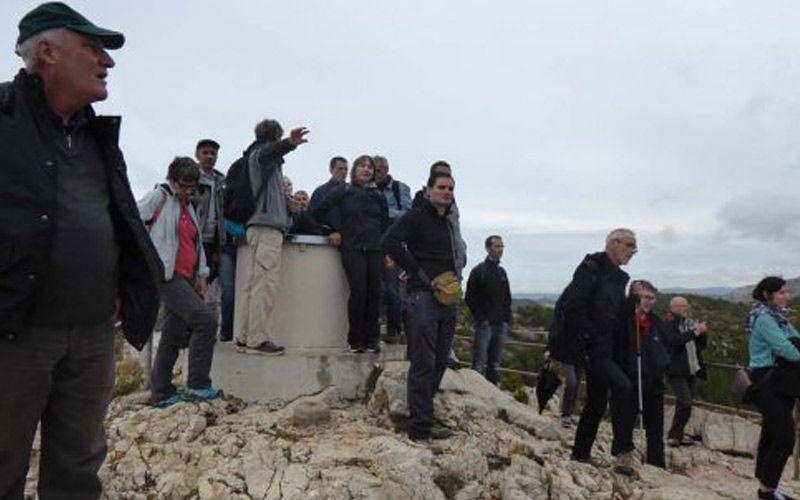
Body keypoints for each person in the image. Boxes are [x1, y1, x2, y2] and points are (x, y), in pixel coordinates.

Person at [0, 3, 161, 497]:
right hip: (16, 335)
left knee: (77, 470)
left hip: (92, 336)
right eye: (92, 48)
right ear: (47, 52)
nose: (106, 62)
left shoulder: (96, 135)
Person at [549, 228, 638, 475]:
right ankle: (623, 452)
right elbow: (574, 307)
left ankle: (580, 453)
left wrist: (632, 301)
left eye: (634, 247)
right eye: (629, 245)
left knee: (597, 400)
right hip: (589, 347)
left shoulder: (620, 278)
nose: (633, 251)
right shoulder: (590, 268)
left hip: (605, 347)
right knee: (622, 386)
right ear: (613, 243)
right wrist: (589, 337)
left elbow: (617, 315)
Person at [382, 171, 459, 443]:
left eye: (450, 188)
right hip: (422, 298)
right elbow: (389, 241)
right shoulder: (415, 216)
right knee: (423, 363)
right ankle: (418, 429)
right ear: (429, 190)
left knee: (439, 362)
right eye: (441, 187)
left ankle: (424, 417)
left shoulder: (448, 222)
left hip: (447, 299)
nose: (446, 192)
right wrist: (414, 269)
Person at [138, 157, 221, 407]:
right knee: (206, 321)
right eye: (182, 186)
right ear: (172, 181)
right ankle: (197, 384)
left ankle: (161, 391)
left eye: (191, 187)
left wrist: (203, 274)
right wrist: (145, 259)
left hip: (187, 276)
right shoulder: (159, 197)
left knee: (173, 334)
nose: (186, 191)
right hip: (166, 275)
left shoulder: (189, 207)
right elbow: (131, 219)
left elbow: (195, 244)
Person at [235, 119, 309, 354]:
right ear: (274, 137)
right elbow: (271, 151)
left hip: (259, 226)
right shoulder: (260, 154)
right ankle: (257, 340)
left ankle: (245, 336)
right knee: (265, 284)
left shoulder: (261, 162)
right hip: (266, 228)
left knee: (253, 284)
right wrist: (290, 143)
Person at [314, 155, 389, 353]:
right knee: (359, 292)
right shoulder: (344, 191)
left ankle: (372, 338)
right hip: (352, 248)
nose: (366, 170)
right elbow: (320, 210)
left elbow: (384, 224)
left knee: (375, 292)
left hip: (374, 249)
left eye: (370, 167)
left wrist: (387, 250)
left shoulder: (379, 196)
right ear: (354, 170)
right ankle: (355, 340)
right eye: (362, 166)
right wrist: (333, 229)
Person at [747, 277, 800, 500]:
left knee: (770, 433)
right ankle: (767, 490)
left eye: (786, 292)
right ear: (768, 294)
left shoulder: (780, 317)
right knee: (785, 437)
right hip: (768, 379)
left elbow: (795, 340)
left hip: (780, 380)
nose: (786, 296)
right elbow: (787, 349)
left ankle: (766, 486)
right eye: (781, 293)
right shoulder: (765, 318)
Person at [623, 280, 669, 469]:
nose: (649, 302)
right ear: (635, 297)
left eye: (652, 298)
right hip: (631, 381)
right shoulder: (625, 321)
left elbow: (666, 347)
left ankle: (657, 466)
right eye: (645, 297)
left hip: (654, 382)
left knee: (656, 429)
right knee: (625, 424)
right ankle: (624, 461)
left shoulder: (657, 323)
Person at [373, 155, 412, 343]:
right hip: (372, 244)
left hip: (393, 245)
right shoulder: (368, 189)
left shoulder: (399, 189)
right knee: (373, 289)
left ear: (386, 170)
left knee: (392, 290)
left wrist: (384, 213)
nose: (375, 174)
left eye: (378, 170)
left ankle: (394, 331)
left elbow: (408, 214)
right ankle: (372, 330)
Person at [465, 235, 511, 385]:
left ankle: (494, 394)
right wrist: (481, 318)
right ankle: (475, 392)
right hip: (485, 324)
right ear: (488, 248)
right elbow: (470, 297)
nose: (500, 250)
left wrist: (506, 319)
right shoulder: (478, 271)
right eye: (497, 246)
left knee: (495, 364)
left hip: (500, 324)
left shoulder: (502, 272)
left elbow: (507, 297)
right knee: (479, 363)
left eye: (501, 246)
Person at [663, 296, 708, 447]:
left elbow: (701, 345)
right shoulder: (669, 322)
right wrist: (695, 332)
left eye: (686, 306)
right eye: (683, 306)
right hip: (676, 370)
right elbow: (674, 341)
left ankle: (677, 434)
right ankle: (673, 436)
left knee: (685, 403)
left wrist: (702, 332)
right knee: (685, 402)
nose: (686, 309)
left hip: (691, 368)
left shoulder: (688, 323)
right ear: (674, 307)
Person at [194, 138, 225, 283]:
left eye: (213, 153)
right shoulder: (190, 178)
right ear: (197, 155)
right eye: (205, 152)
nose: (209, 156)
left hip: (214, 241)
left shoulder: (222, 181)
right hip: (193, 237)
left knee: (207, 280)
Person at [309, 156, 348, 233]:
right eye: (340, 168)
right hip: (326, 239)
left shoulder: (353, 192)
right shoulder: (320, 192)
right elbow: (312, 217)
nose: (343, 172)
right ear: (331, 170)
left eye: (346, 169)